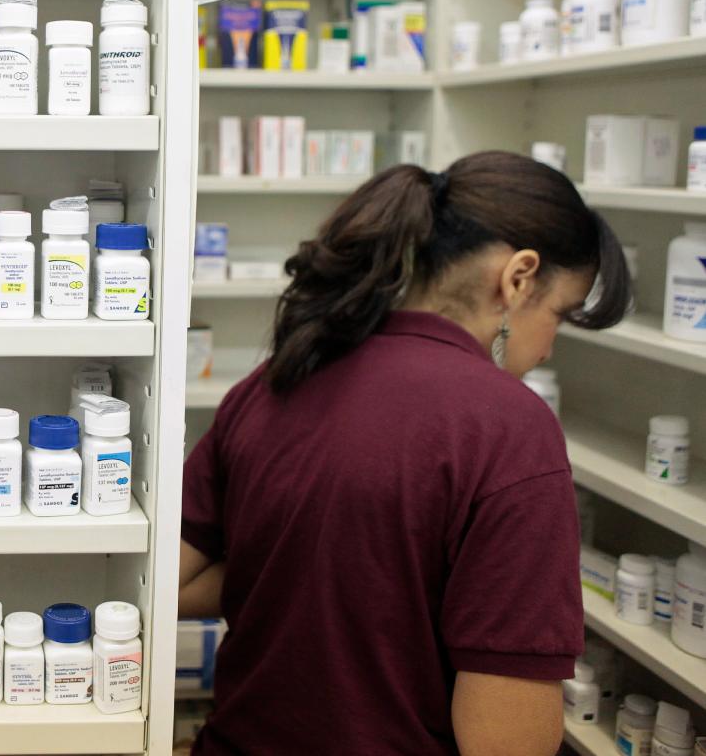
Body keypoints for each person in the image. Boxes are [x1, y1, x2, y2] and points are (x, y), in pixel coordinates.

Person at [178, 152, 631, 755]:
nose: (548, 348)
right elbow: (504, 746)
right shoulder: (509, 427)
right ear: (518, 278)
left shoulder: (271, 383)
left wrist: (316, 563)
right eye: (559, 316)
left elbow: (171, 586)